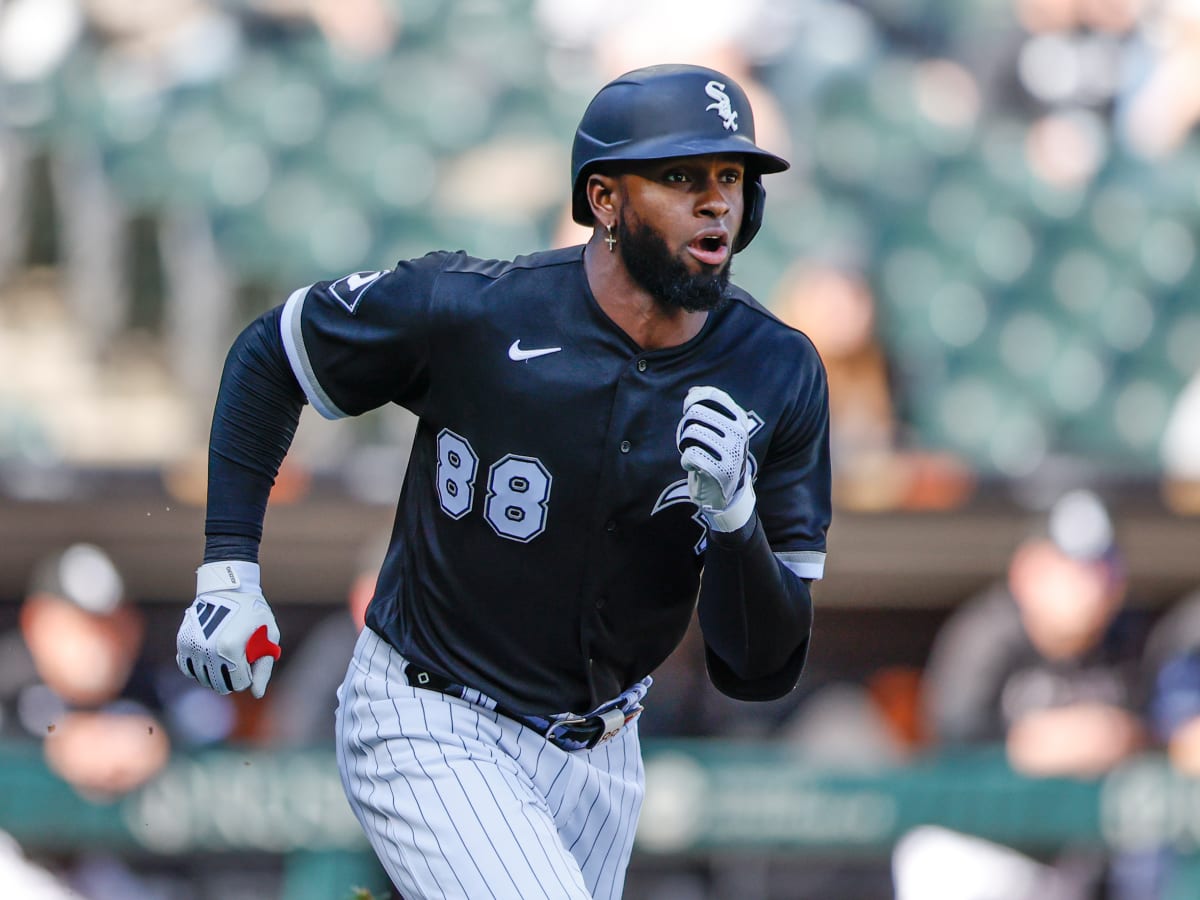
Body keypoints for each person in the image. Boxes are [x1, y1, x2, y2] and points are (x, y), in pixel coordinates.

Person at [175, 63, 831, 899]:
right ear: (603, 200)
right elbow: (272, 353)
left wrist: (737, 522)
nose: (717, 201)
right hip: (431, 710)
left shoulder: (778, 371)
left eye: (731, 177)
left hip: (602, 752)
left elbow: (761, 668)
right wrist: (229, 570)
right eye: (679, 177)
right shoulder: (477, 311)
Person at [894, 489, 1149, 900]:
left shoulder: (1128, 642)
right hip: (978, 851)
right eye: (1073, 569)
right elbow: (948, 754)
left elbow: (1156, 731)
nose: (1091, 586)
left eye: (1103, 569)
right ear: (1028, 570)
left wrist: (1122, 736)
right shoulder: (985, 636)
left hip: (1076, 858)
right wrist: (1034, 748)